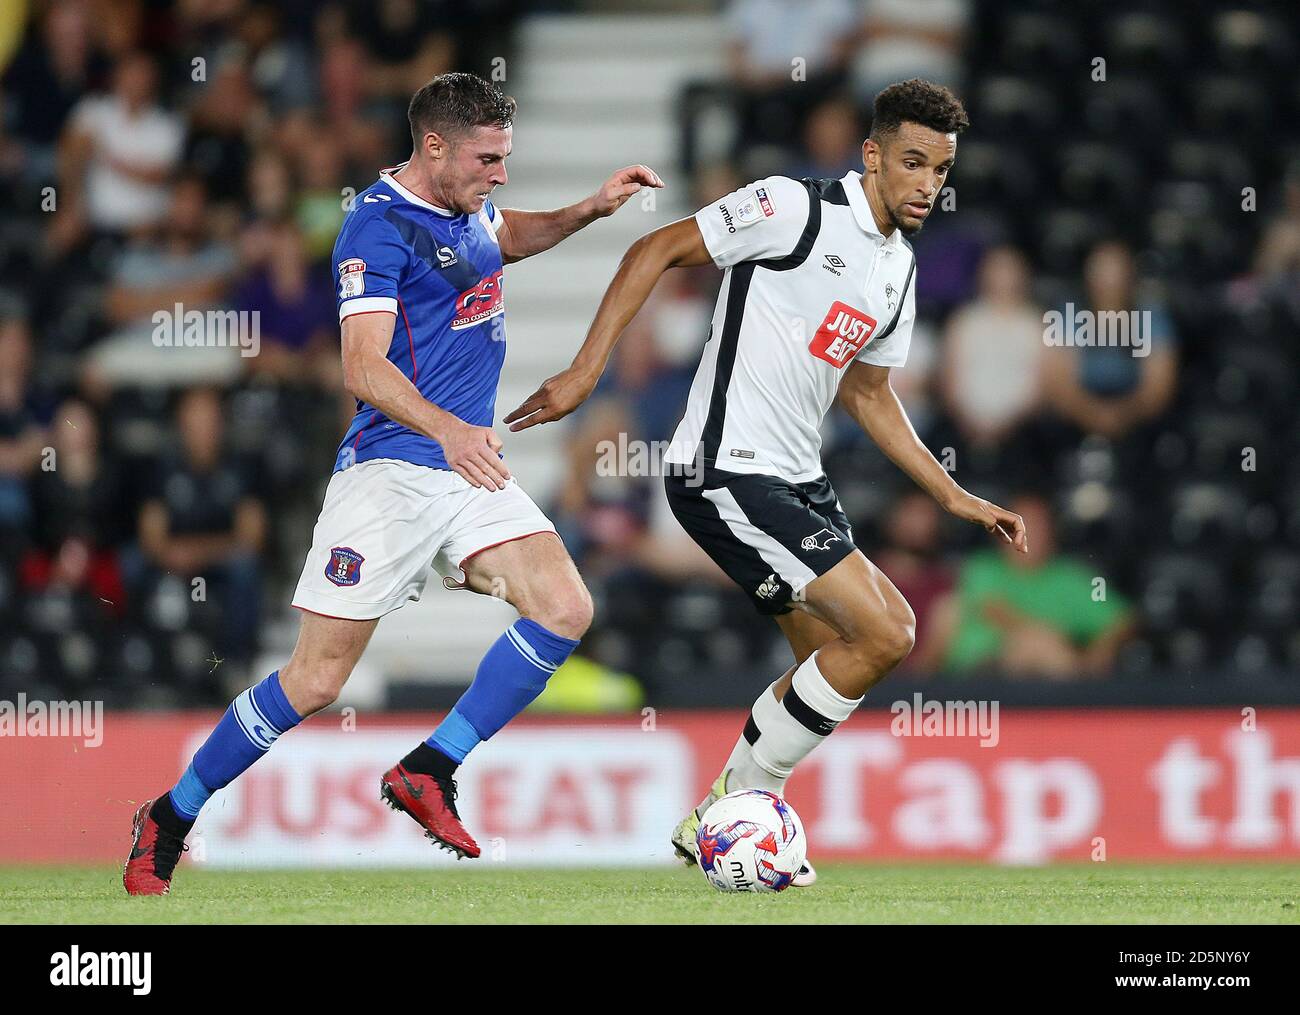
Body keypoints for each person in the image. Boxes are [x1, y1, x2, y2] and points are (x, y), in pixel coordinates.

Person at [123, 72, 663, 895]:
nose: (501, 174)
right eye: (489, 159)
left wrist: (588, 210)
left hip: (463, 470)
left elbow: (504, 234)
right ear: (434, 146)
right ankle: (172, 812)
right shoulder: (376, 230)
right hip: (390, 472)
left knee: (565, 607)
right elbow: (361, 365)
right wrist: (448, 429)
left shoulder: (467, 202)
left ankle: (429, 767)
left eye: (506, 157)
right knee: (316, 680)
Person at [506, 79, 1027, 888]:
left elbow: (867, 392)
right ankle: (737, 800)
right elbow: (655, 248)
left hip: (798, 481)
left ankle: (729, 816)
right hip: (725, 469)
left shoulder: (898, 268)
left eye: (942, 171)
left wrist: (951, 494)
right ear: (874, 154)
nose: (929, 184)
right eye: (914, 163)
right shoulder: (795, 208)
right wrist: (585, 370)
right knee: (889, 630)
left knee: (829, 663)